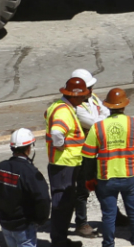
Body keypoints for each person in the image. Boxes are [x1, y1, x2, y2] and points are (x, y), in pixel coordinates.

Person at [83, 88, 134, 247]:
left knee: (108, 215)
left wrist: (89, 178)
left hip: (106, 178)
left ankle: (108, 244)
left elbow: (89, 156)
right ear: (125, 105)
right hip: (131, 175)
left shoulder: (98, 127)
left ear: (108, 106)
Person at [0, 128, 51, 247]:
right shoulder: (29, 172)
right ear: (29, 148)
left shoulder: (0, 167)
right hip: (24, 226)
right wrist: (40, 219)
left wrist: (0, 209)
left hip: (6, 224)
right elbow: (43, 198)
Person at [45, 75, 93, 247]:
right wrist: (60, 146)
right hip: (64, 163)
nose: (85, 98)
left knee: (64, 203)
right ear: (74, 95)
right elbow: (57, 133)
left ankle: (60, 239)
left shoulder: (62, 106)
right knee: (62, 205)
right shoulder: (64, 111)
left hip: (66, 163)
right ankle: (59, 241)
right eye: (82, 95)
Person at [68, 70, 110, 237]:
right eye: (89, 87)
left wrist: (101, 116)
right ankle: (81, 222)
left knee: (102, 184)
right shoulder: (76, 106)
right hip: (83, 153)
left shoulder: (92, 98)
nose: (92, 90)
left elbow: (105, 113)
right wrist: (101, 116)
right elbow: (95, 123)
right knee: (82, 189)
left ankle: (112, 214)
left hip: (96, 150)